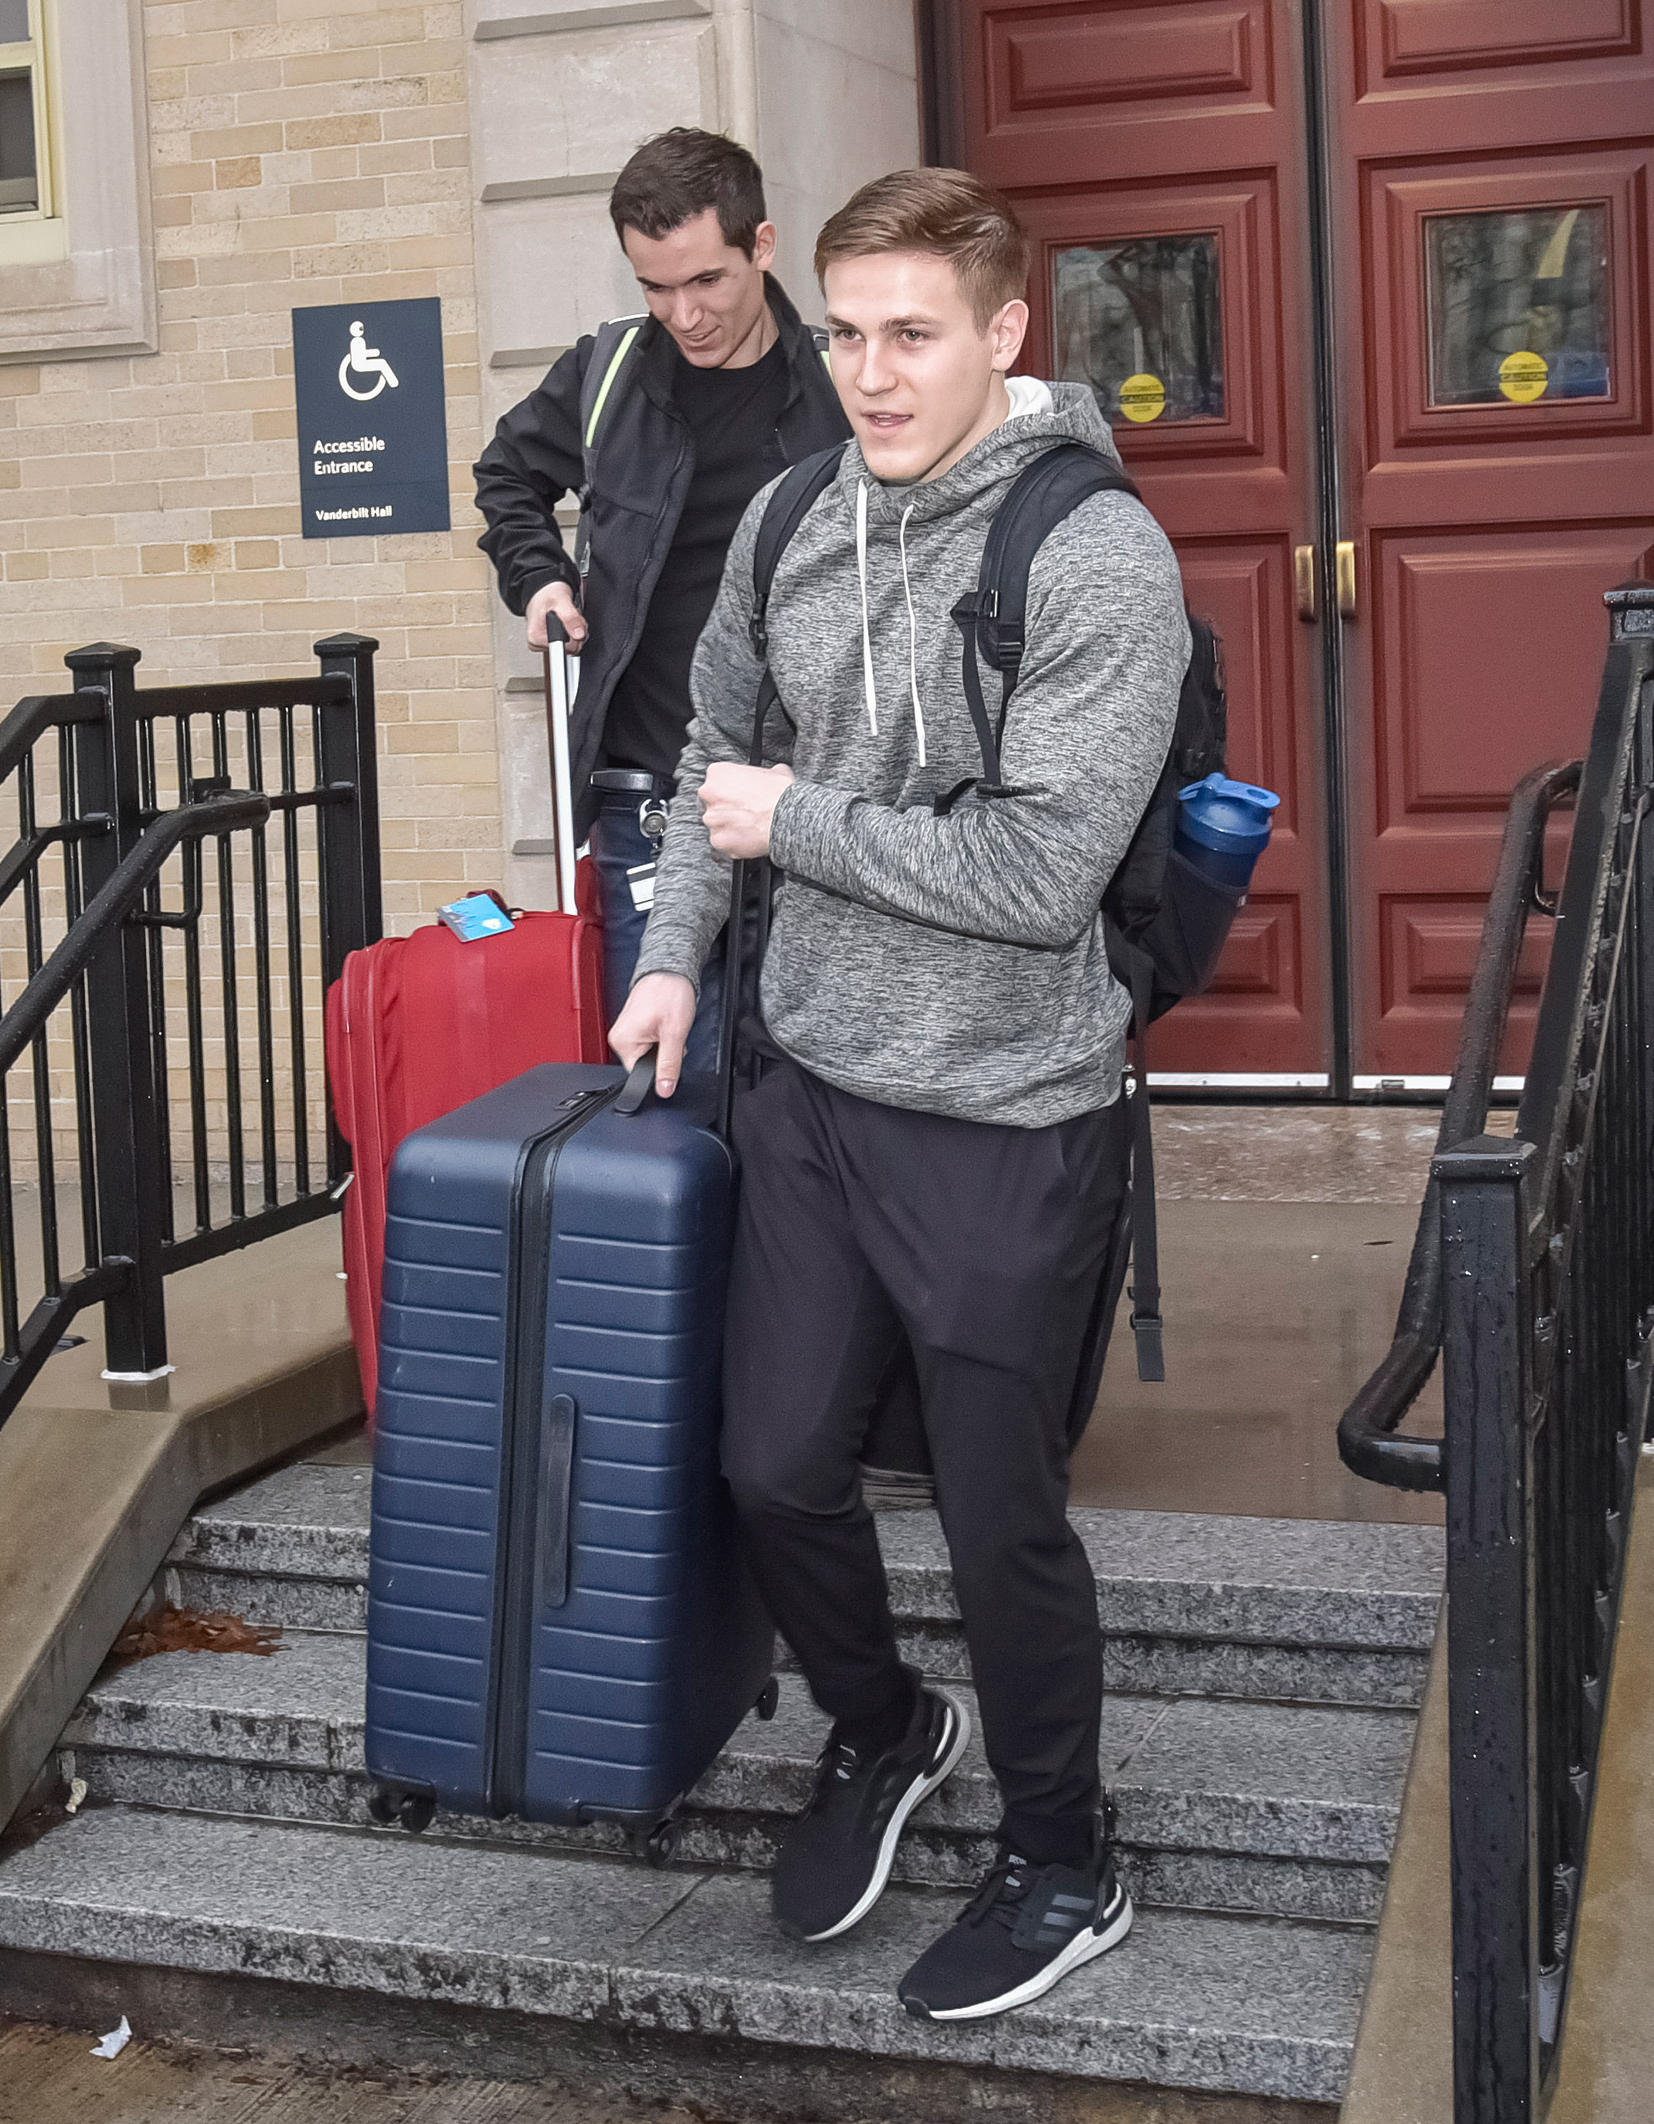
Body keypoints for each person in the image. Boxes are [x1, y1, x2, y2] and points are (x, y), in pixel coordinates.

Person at [610, 168, 1189, 2019]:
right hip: (813, 1088)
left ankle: (1065, 1857)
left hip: (1015, 1113)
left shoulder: (1094, 556)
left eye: (911, 335)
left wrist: (801, 829)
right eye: (846, 332)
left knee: (1002, 1515)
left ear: (1005, 331)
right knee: (772, 1466)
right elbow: (715, 750)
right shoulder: (793, 512)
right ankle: (883, 1725)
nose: (868, 373)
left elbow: (1037, 877)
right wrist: (676, 955)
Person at [472, 127, 845, 1092]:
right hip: (649, 801)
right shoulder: (607, 378)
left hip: (811, 805)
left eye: (707, 281)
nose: (683, 314)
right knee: (670, 1084)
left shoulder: (845, 389)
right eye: (653, 287)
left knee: (803, 1095)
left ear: (762, 245)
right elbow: (507, 473)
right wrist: (539, 576)